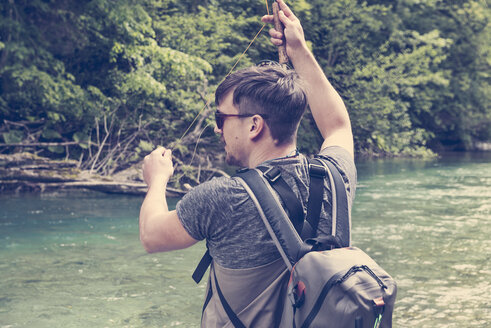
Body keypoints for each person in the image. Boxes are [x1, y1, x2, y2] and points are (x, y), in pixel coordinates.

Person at [139, 0, 356, 326]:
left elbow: (152, 236)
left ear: (254, 125)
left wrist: (157, 179)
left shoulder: (223, 197)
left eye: (221, 117)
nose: (217, 127)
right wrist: (299, 49)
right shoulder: (336, 175)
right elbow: (338, 125)